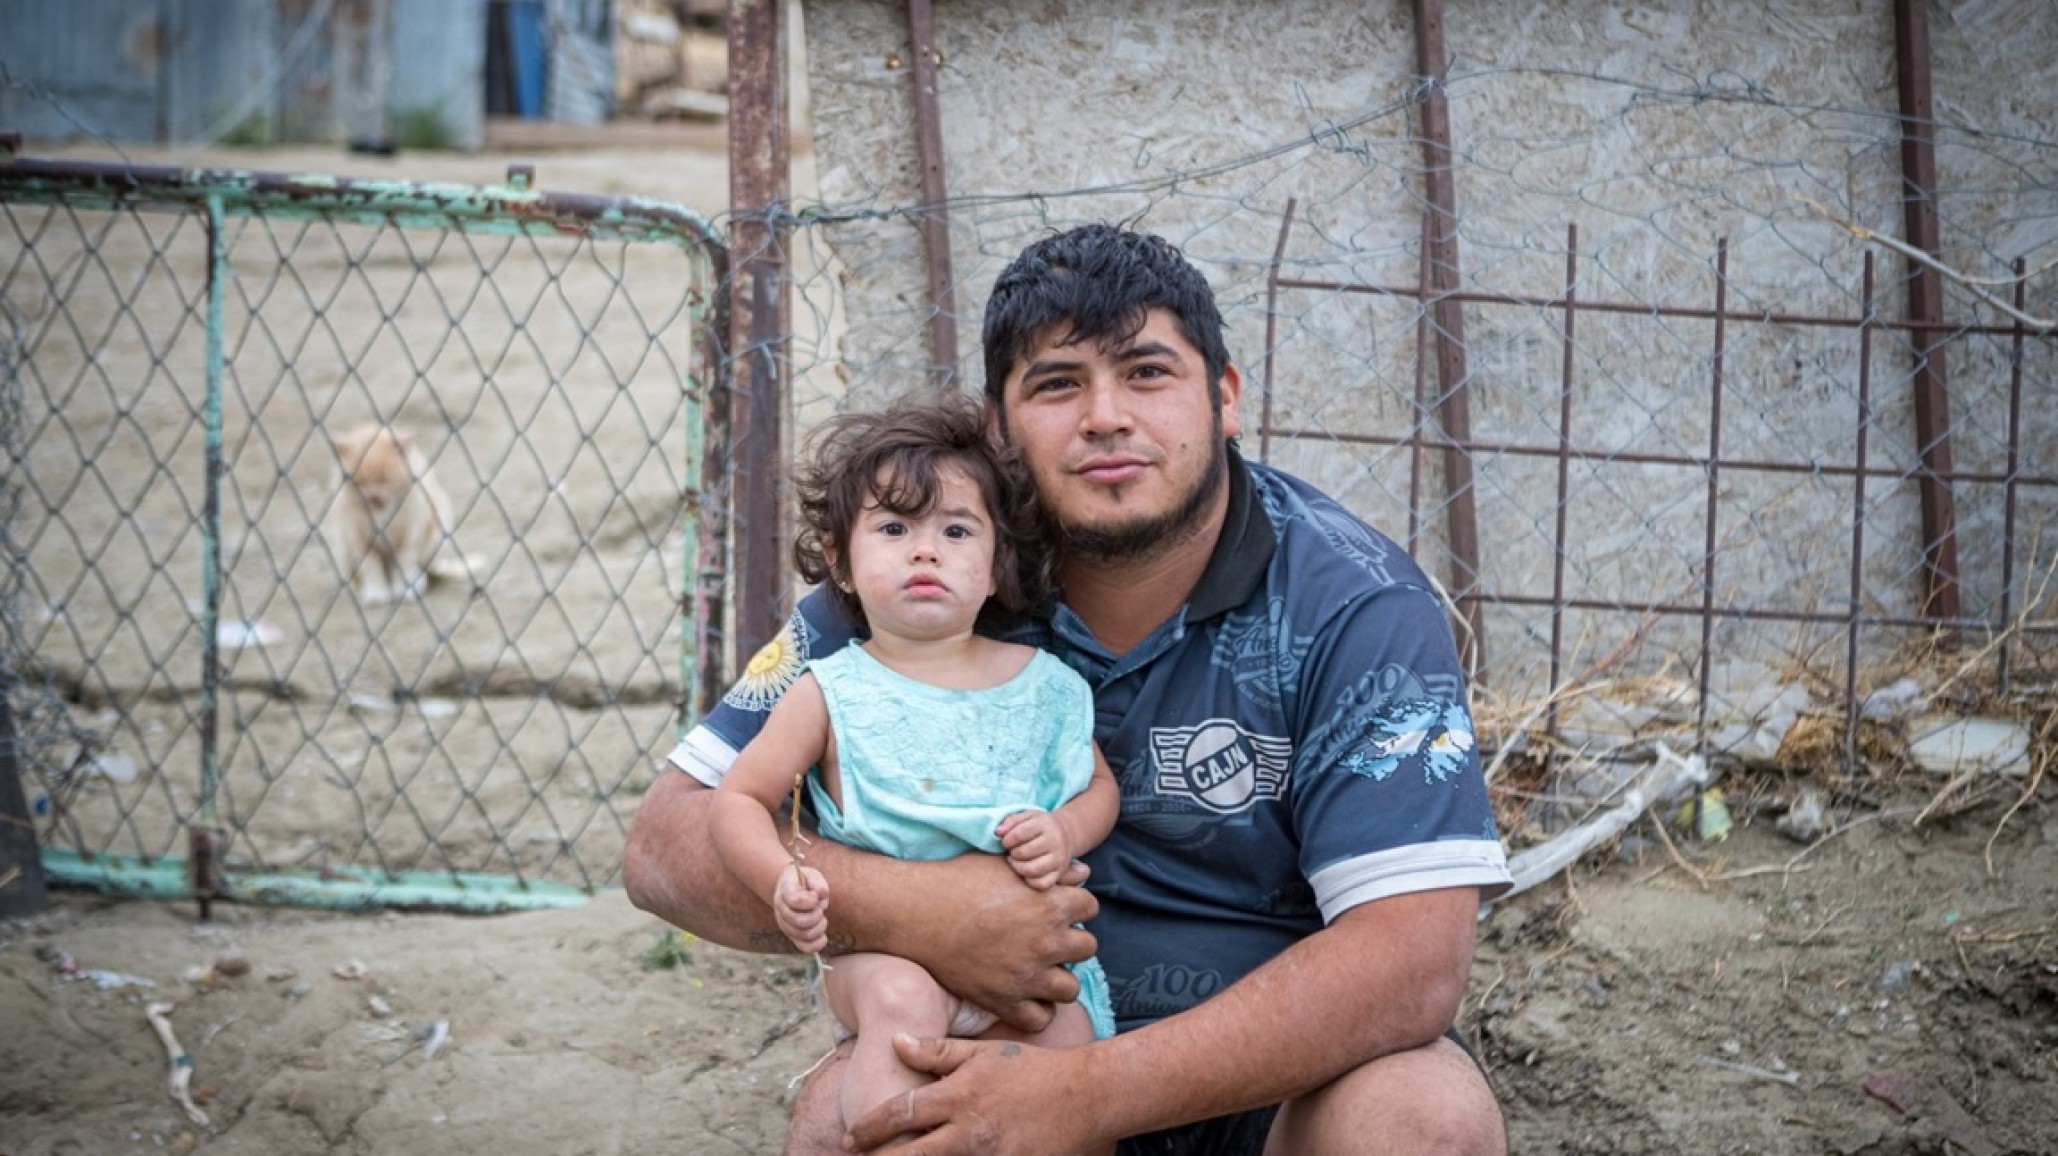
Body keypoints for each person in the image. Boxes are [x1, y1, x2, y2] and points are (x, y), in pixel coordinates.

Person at [624, 223, 1514, 1155]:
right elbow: (664, 845)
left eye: (1147, 373)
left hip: (1277, 1084)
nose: (1105, 416)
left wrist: (1084, 1093)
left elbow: (1414, 959)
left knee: (1426, 1122)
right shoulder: (921, 584)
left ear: (1225, 398)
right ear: (1000, 429)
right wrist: (920, 910)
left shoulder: (1355, 604)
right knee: (856, 1122)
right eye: (1058, 384)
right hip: (983, 1041)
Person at [706, 395, 1119, 1151]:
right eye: (894, 529)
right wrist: (780, 877)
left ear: (997, 566)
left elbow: (1097, 787)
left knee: (1068, 1040)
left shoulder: (1049, 685)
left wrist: (1063, 830)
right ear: (841, 561)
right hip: (884, 959)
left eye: (956, 531)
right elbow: (739, 797)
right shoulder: (828, 689)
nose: (925, 551)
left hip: (1030, 964)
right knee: (902, 1005)